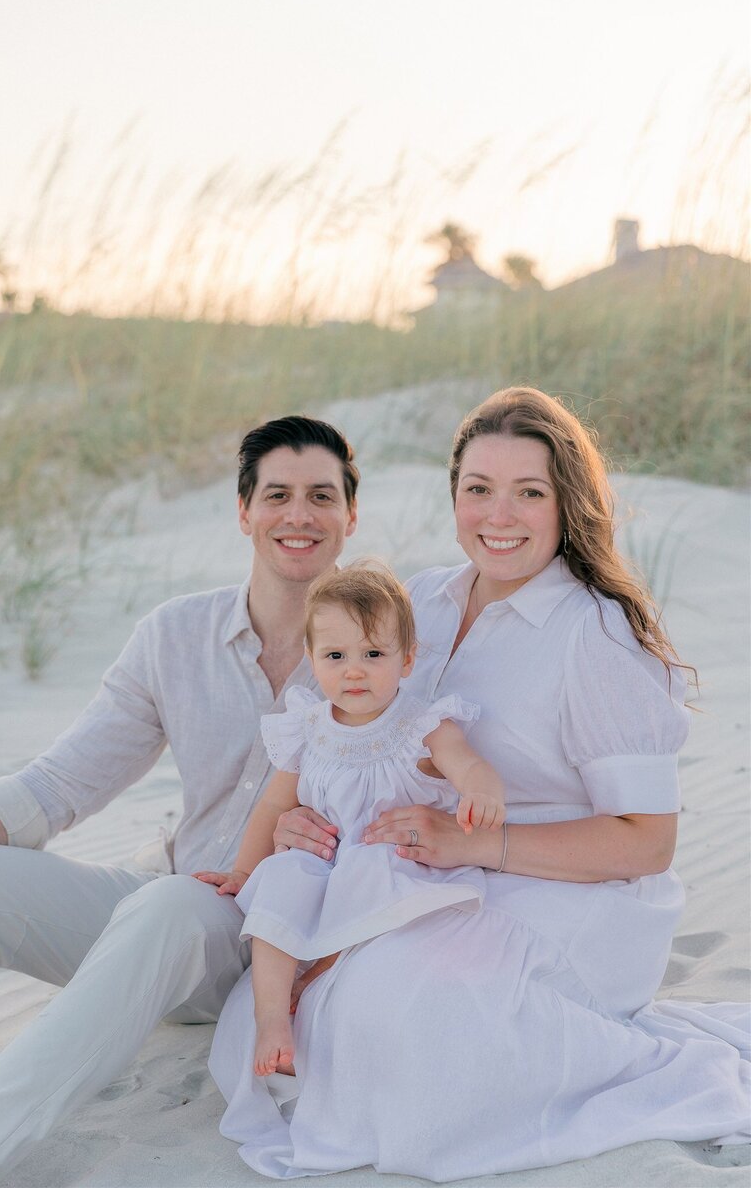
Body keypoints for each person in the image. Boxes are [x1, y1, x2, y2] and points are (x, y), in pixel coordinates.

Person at [212, 387, 750, 1181]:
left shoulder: (594, 635)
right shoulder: (418, 602)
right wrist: (300, 820)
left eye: (529, 492)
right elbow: (323, 731)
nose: (500, 515)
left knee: (396, 1005)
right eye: (478, 489)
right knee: (288, 999)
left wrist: (475, 843)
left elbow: (647, 842)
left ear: (569, 502)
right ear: (454, 493)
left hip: (572, 891)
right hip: (424, 870)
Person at [0, 415, 359, 1188]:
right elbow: (57, 787)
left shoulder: (385, 651)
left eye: (321, 497)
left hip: (265, 951)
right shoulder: (175, 635)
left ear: (349, 516)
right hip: (149, 914)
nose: (298, 516)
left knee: (171, 906)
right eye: (277, 495)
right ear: (244, 512)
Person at [197, 562, 503, 1078]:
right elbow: (274, 806)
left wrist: (481, 788)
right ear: (312, 660)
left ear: (407, 660)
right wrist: (246, 871)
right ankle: (271, 1014)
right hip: (320, 864)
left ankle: (318, 972)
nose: (353, 670)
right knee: (282, 876)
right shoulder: (308, 728)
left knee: (368, 878)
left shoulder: (421, 724)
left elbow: (466, 763)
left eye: (373, 654)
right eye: (335, 656)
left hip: (387, 862)